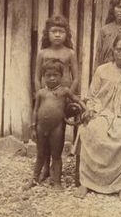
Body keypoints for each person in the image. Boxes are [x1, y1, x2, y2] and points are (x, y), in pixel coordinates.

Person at [74, 35, 121, 201]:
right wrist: (90, 110)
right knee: (91, 128)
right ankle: (87, 182)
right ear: (113, 50)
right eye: (119, 49)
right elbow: (92, 96)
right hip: (103, 112)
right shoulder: (102, 70)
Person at [25, 59, 86, 190]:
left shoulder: (65, 91)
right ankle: (34, 179)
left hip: (57, 129)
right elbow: (35, 110)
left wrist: (85, 108)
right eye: (48, 75)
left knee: (56, 155)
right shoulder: (41, 93)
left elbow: (76, 99)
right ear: (43, 77)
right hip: (41, 128)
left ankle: (57, 182)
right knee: (40, 154)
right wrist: (33, 127)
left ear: (61, 76)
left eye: (55, 75)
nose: (52, 78)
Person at [34, 15, 79, 182]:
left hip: (63, 100)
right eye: (54, 31)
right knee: (43, 135)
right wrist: (43, 95)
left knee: (57, 134)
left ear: (67, 34)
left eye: (61, 31)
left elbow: (75, 77)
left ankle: (55, 171)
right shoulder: (42, 53)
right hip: (46, 100)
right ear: (47, 34)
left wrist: (68, 96)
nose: (58, 35)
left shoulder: (70, 53)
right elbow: (37, 77)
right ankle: (45, 168)